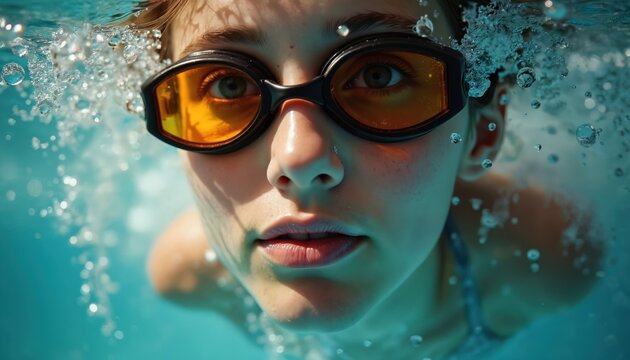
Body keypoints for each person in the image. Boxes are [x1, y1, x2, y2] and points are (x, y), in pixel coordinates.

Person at [130, 0, 604, 358]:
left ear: (483, 133)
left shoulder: (543, 259)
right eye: (225, 85)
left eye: (379, 75)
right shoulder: (190, 275)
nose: (297, 158)